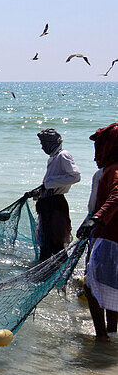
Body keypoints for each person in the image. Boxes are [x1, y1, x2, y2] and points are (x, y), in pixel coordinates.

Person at [77, 123, 118, 341]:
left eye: (101, 145)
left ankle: (101, 337)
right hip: (110, 235)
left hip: (110, 238)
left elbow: (116, 196)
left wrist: (94, 219)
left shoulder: (114, 170)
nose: (97, 153)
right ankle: (111, 332)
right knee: (112, 286)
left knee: (92, 287)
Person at [25, 128, 80, 261]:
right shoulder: (54, 157)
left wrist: (49, 183)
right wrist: (38, 191)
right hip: (48, 204)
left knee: (56, 244)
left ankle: (61, 272)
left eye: (43, 143)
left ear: (51, 142)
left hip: (56, 205)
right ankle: (46, 272)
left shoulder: (63, 155)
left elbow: (75, 176)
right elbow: (50, 184)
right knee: (46, 244)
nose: (42, 147)